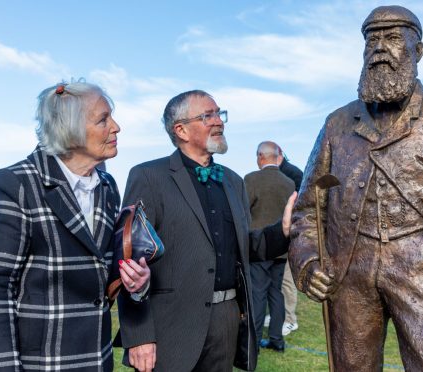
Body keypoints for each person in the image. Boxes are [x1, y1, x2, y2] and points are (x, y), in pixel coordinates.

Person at [289, 6, 423, 371]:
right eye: (372, 40)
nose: (379, 48)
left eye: (392, 38)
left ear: (417, 51)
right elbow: (309, 208)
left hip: (422, 267)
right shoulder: (338, 123)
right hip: (350, 272)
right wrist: (309, 261)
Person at [117, 90, 296, 372]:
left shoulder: (233, 182)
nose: (219, 122)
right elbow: (129, 261)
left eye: (219, 114)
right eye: (208, 115)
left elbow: (248, 246)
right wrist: (139, 335)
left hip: (225, 323)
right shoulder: (149, 177)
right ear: (181, 130)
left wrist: (283, 231)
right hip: (170, 326)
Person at [0, 81, 150, 371]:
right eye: (103, 119)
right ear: (71, 130)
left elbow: (99, 272)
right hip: (39, 363)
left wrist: (135, 283)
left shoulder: (107, 187)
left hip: (96, 359)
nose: (116, 127)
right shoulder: (17, 182)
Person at [244, 141, 295, 352]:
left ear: (260, 156)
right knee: (277, 293)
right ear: (277, 157)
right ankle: (276, 340)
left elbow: (243, 211)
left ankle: (252, 345)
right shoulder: (289, 183)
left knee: (258, 295)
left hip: (259, 247)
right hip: (281, 248)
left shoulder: (251, 179)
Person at [276, 147, 303, 336]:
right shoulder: (280, 173)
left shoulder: (293, 174)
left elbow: (302, 204)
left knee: (287, 280)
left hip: (291, 232)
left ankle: (290, 319)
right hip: (277, 233)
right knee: (277, 279)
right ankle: (280, 314)